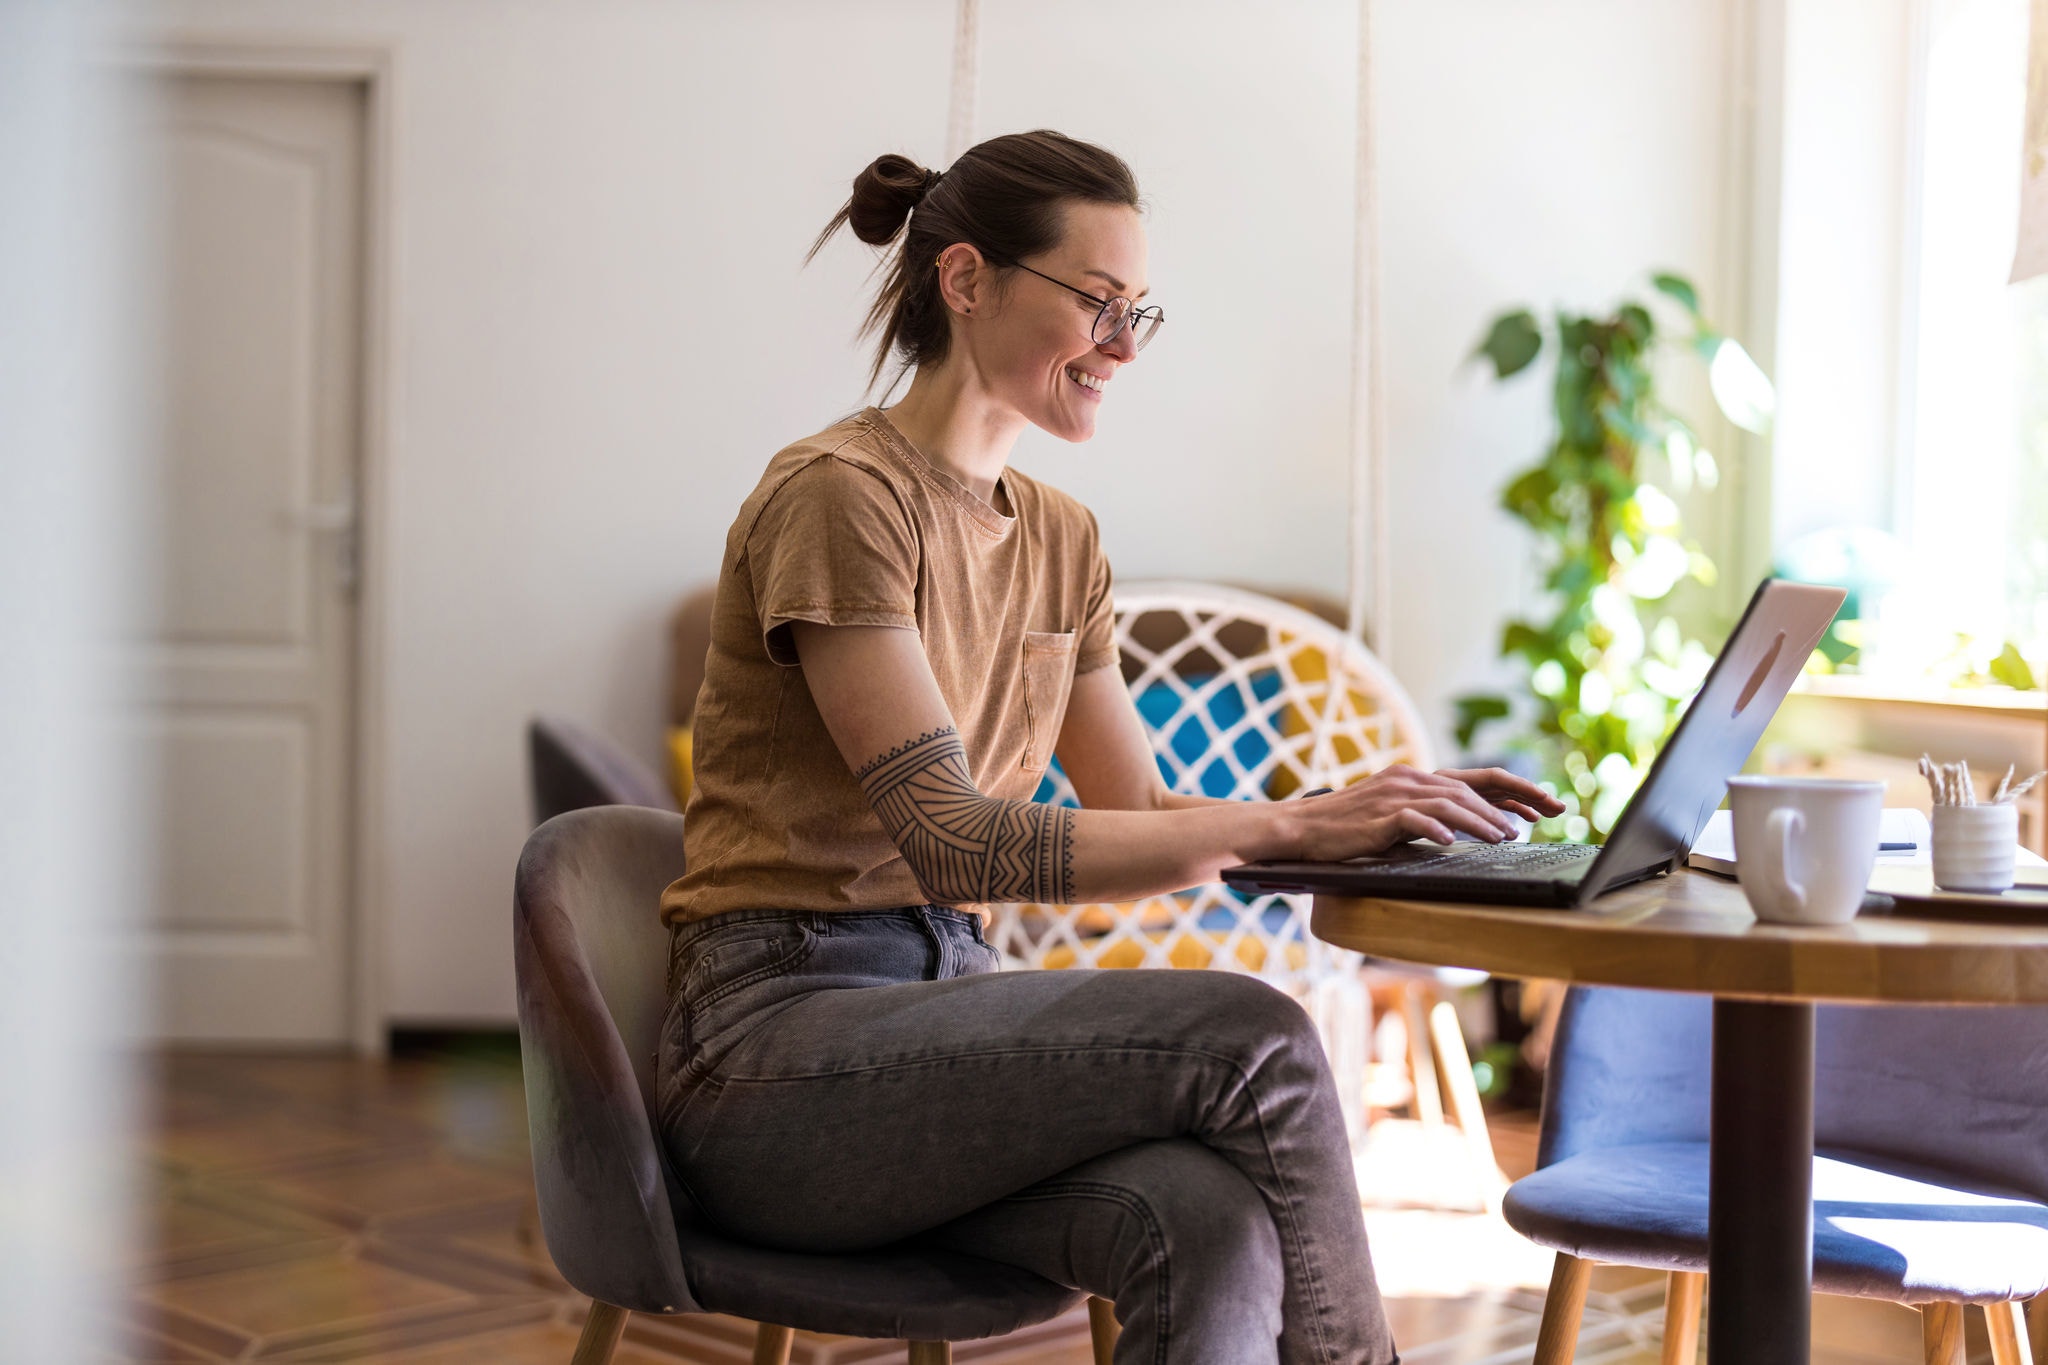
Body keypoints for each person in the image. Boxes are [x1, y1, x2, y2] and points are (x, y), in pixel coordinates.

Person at [654, 129, 1564, 1365]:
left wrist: (1358, 804)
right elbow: (954, 835)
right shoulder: (840, 497)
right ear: (965, 281)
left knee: (1205, 1224)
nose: (1124, 346)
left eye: (1140, 311)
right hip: (773, 1053)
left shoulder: (1064, 539)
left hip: (943, 1013)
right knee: (1254, 1036)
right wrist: (1285, 828)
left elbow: (1132, 802)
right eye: (1095, 303)